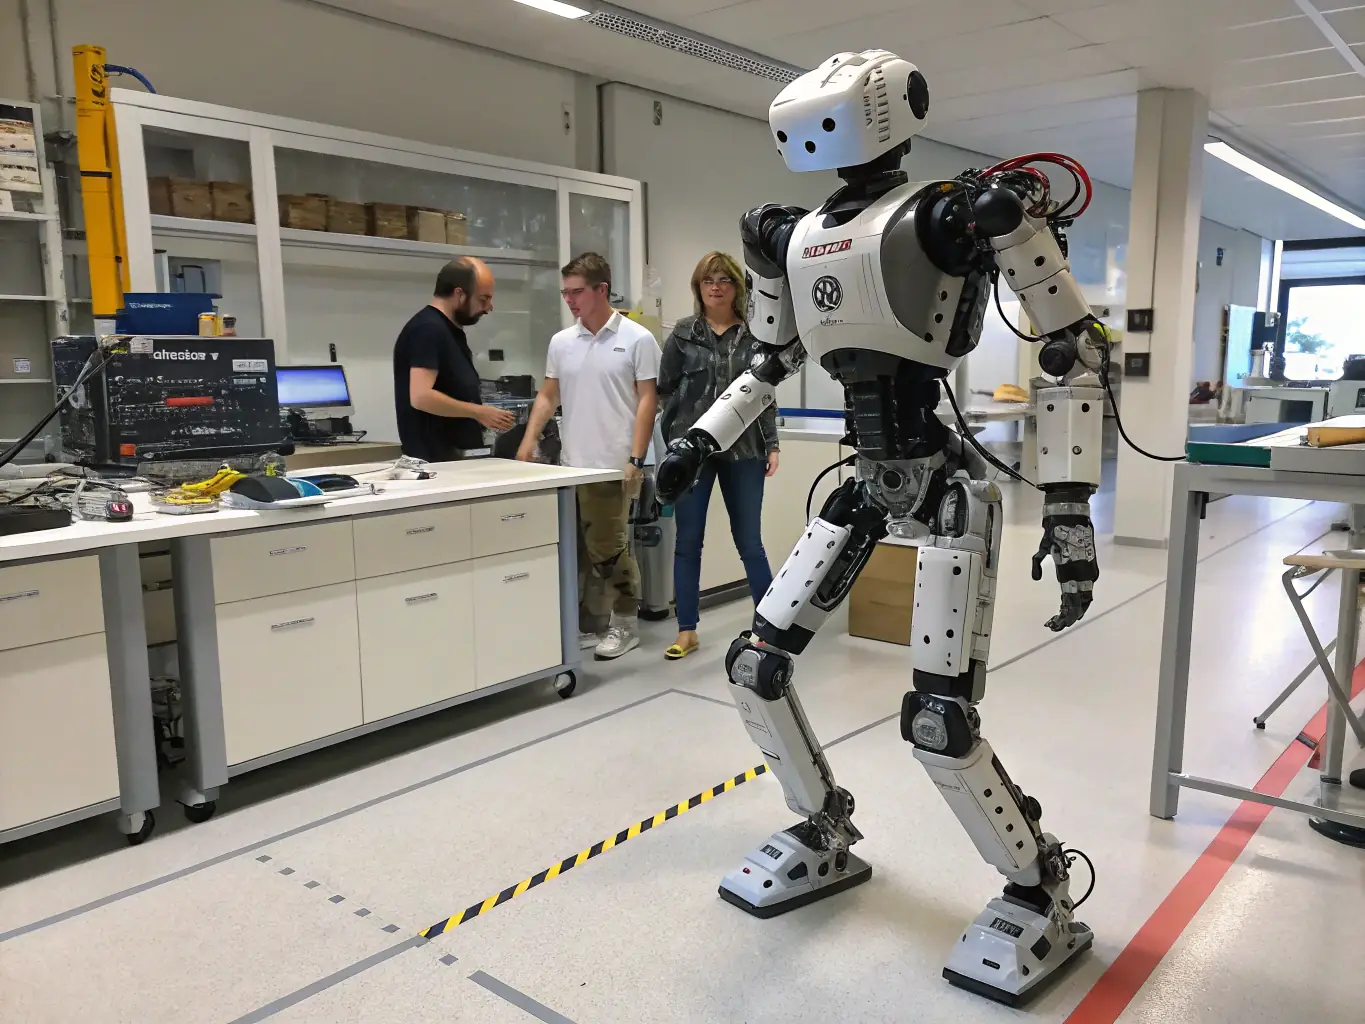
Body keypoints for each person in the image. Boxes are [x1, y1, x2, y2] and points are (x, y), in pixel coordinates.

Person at [517, 253, 660, 660]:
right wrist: (528, 441)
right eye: (565, 292)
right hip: (571, 465)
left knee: (609, 548)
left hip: (613, 463)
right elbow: (549, 395)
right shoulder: (562, 342)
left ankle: (626, 623)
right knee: (575, 550)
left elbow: (647, 400)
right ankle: (585, 624)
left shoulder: (637, 339)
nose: (570, 300)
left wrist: (636, 457)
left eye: (577, 291)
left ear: (602, 289)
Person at [657, 251, 778, 660]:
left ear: (736, 288)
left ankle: (767, 628)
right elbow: (665, 391)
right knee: (687, 543)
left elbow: (765, 395)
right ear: (699, 287)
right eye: (708, 280)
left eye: (724, 280)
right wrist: (673, 443)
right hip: (693, 453)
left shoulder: (755, 335)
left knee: (750, 543)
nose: (716, 287)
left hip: (745, 450)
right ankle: (687, 630)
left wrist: (772, 444)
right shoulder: (682, 334)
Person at [393, 257, 513, 462]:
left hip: (454, 459)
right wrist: (479, 412)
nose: (489, 307)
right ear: (460, 294)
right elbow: (421, 396)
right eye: (483, 299)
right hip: (437, 462)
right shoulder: (428, 330)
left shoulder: (450, 331)